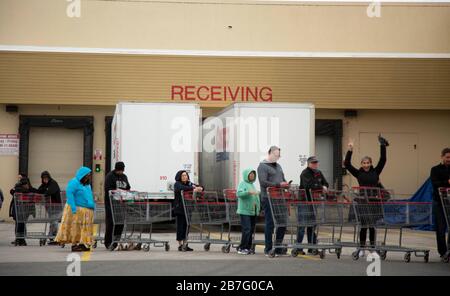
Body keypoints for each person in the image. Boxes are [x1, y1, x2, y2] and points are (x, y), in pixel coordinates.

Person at [344, 134, 389, 257]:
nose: (366, 165)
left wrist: (382, 145)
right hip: (363, 201)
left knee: (372, 226)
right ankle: (362, 248)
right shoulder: (358, 173)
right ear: (361, 164)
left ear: (371, 163)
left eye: (368, 162)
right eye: (364, 163)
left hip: (374, 201)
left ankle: (373, 248)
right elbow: (347, 164)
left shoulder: (376, 171)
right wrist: (350, 149)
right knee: (363, 226)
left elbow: (383, 160)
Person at [257, 146, 290, 256]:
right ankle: (268, 249)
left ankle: (278, 247)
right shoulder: (263, 166)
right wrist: (278, 185)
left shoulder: (279, 166)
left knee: (283, 223)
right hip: (268, 198)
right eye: (276, 155)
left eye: (279, 155)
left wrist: (286, 184)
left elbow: (282, 179)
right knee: (270, 224)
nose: (277, 157)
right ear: (270, 153)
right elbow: (263, 182)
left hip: (280, 198)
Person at [55, 167, 95, 252]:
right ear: (82, 175)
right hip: (76, 209)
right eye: (87, 175)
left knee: (84, 228)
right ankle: (74, 244)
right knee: (75, 227)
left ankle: (82, 243)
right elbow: (70, 195)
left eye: (89, 175)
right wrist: (73, 208)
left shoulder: (87, 184)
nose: (88, 177)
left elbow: (89, 196)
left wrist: (92, 205)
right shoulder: (74, 182)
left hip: (86, 210)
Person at [297, 156, 329, 255]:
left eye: (316, 162)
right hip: (304, 202)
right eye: (313, 162)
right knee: (302, 225)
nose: (315, 164)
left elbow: (326, 183)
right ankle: (298, 247)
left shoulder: (318, 172)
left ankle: (311, 247)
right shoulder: (305, 173)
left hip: (314, 201)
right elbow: (309, 185)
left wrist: (324, 186)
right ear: (308, 163)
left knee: (312, 225)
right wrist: (320, 186)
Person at [173, 170, 203, 252]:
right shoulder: (177, 184)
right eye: (182, 175)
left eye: (186, 175)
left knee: (187, 226)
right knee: (180, 227)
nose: (184, 177)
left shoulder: (190, 183)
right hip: (180, 209)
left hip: (188, 208)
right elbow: (182, 188)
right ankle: (180, 245)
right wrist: (194, 188)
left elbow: (201, 187)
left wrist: (200, 188)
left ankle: (185, 244)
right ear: (179, 177)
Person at [104, 161, 131, 250]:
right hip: (111, 204)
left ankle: (116, 241)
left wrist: (125, 193)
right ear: (116, 169)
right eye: (119, 170)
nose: (120, 172)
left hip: (121, 204)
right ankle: (108, 242)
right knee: (111, 223)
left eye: (122, 170)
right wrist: (117, 191)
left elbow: (128, 187)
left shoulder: (124, 177)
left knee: (120, 223)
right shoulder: (110, 176)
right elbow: (107, 189)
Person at [430, 147, 450, 261]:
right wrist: (447, 182)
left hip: (449, 202)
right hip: (439, 202)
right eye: (447, 157)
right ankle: (443, 252)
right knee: (441, 228)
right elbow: (435, 183)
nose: (449, 159)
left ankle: (449, 250)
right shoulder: (435, 169)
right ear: (442, 157)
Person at [236, 169, 260, 255]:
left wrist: (258, 209)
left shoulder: (252, 185)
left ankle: (248, 247)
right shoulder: (243, 184)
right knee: (247, 229)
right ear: (246, 175)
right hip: (245, 211)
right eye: (250, 174)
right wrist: (248, 192)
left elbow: (255, 197)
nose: (252, 176)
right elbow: (239, 194)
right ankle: (242, 248)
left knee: (251, 230)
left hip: (252, 211)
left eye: (253, 174)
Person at [9, 174, 36, 246]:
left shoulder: (24, 189)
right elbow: (12, 191)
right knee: (20, 224)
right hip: (19, 209)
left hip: (23, 210)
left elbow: (12, 191)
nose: (26, 185)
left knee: (21, 224)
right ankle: (19, 238)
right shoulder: (19, 189)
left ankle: (20, 238)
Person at [37, 171, 61, 245]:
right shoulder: (44, 185)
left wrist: (45, 191)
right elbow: (39, 191)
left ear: (49, 177)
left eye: (46, 178)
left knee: (54, 222)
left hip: (56, 206)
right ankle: (52, 237)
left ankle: (55, 237)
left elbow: (50, 191)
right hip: (49, 207)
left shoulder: (53, 183)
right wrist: (45, 190)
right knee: (52, 222)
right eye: (44, 178)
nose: (45, 180)